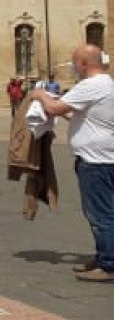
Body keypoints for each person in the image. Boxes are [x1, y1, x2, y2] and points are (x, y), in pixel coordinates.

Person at [29, 45, 114, 282]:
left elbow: (54, 108)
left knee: (101, 214)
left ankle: (108, 264)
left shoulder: (91, 85)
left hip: (96, 161)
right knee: (101, 211)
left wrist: (41, 95)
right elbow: (78, 114)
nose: (74, 67)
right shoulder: (106, 84)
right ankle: (102, 256)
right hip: (104, 157)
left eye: (75, 63)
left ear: (84, 64)